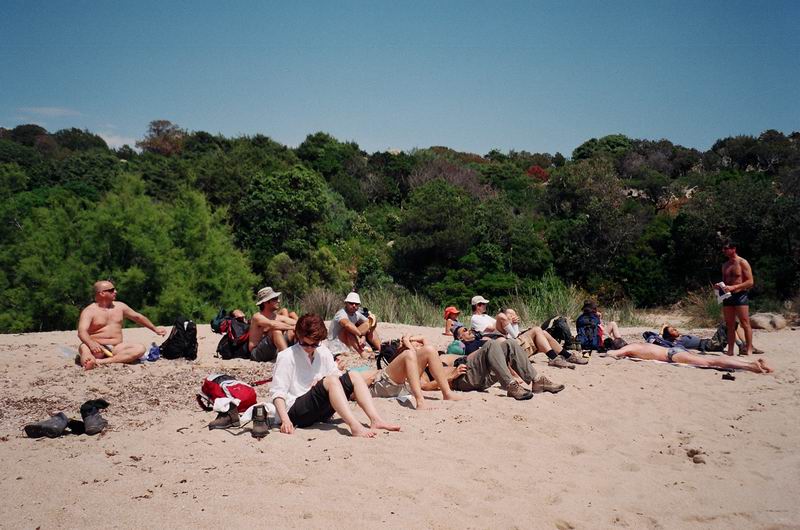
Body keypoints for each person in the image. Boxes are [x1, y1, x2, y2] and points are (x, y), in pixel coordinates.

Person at [270, 314, 400, 438]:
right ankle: (355, 426)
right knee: (330, 381)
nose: (309, 348)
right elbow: (278, 393)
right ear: (299, 337)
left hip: (319, 411)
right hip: (295, 412)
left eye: (314, 344)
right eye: (305, 343)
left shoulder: (322, 351)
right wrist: (285, 420)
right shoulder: (286, 356)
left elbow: (336, 376)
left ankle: (375, 419)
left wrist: (322, 382)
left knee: (354, 375)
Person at [342, 335, 468, 409]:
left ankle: (447, 393)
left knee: (429, 349)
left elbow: (423, 341)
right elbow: (351, 394)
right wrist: (370, 379)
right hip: (380, 383)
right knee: (409, 354)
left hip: (402, 385)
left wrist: (408, 340)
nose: (417, 346)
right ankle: (420, 402)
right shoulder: (346, 377)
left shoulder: (410, 363)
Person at [444, 325, 565, 397]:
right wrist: (451, 376)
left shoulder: (481, 340)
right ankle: (510, 385)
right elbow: (439, 374)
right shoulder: (461, 346)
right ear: (460, 338)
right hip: (464, 378)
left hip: (485, 374)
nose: (468, 330)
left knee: (510, 343)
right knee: (492, 344)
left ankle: (537, 380)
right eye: (464, 330)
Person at [77, 280, 166, 370]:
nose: (115, 292)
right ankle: (89, 362)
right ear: (102, 293)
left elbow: (138, 317)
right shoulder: (89, 311)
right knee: (84, 348)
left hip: (116, 347)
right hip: (96, 346)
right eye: (111, 290)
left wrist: (155, 329)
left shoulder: (120, 306)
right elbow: (82, 331)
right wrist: (91, 344)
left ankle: (100, 362)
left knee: (140, 349)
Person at [606, 342, 773, 374]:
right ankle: (749, 363)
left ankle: (750, 366)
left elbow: (613, 354)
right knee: (710, 359)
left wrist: (611, 353)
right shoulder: (640, 344)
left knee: (710, 361)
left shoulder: (630, 347)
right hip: (673, 350)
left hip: (672, 355)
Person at [719, 239, 754, 355]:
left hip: (740, 295)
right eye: (723, 249)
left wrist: (735, 287)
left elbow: (750, 282)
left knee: (745, 323)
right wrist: (719, 286)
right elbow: (725, 282)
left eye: (726, 248)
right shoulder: (725, 265)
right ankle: (730, 350)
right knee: (730, 324)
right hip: (728, 296)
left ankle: (749, 348)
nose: (724, 251)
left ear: (733, 249)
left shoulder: (742, 262)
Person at [247, 287, 298, 362]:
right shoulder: (257, 317)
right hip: (257, 353)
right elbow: (273, 324)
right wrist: (292, 327)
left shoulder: (276, 316)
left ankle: (303, 354)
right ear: (266, 302)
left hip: (272, 351)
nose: (278, 301)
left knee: (292, 332)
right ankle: (288, 359)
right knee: (276, 331)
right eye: (275, 299)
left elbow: (296, 322)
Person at [328, 292, 380, 358]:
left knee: (369, 325)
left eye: (356, 304)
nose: (354, 305)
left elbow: (368, 323)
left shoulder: (356, 314)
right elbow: (347, 325)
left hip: (349, 343)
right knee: (349, 330)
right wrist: (360, 336)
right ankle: (362, 353)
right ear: (346, 303)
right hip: (337, 344)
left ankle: (381, 348)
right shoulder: (341, 314)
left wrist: (366, 333)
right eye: (351, 303)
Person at [516, 326, 587, 368]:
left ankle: (568, 356)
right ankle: (554, 358)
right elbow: (513, 336)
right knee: (537, 329)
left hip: (516, 345)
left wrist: (514, 325)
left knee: (543, 332)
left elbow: (516, 334)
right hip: (513, 349)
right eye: (511, 315)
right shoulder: (506, 316)